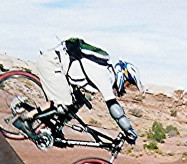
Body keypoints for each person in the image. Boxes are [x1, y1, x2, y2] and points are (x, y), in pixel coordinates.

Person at [13, 37, 142, 144]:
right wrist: (128, 129)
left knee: (76, 103)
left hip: (58, 67)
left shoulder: (104, 71)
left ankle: (49, 131)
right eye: (127, 84)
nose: (125, 89)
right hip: (52, 63)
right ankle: (26, 118)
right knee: (63, 103)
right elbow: (113, 107)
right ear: (122, 74)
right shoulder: (105, 75)